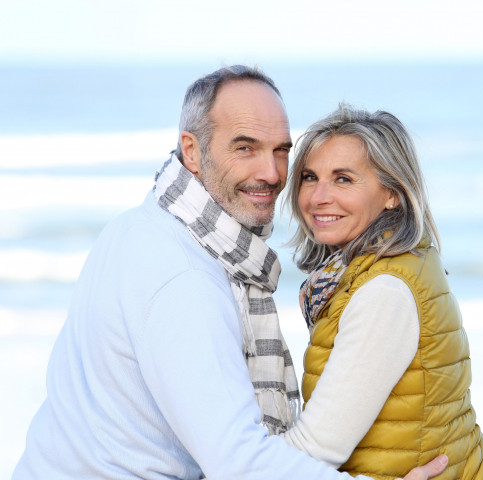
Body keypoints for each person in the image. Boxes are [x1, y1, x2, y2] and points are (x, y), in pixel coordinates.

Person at [13, 66, 448, 480]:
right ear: (192, 151)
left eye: (281, 150)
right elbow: (238, 463)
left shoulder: (138, 226)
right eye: (245, 148)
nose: (273, 173)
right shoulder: (185, 275)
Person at [283, 104, 483, 480]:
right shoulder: (397, 261)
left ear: (392, 193)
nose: (318, 197)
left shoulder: (382, 291)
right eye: (309, 177)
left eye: (343, 179)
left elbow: (315, 449)